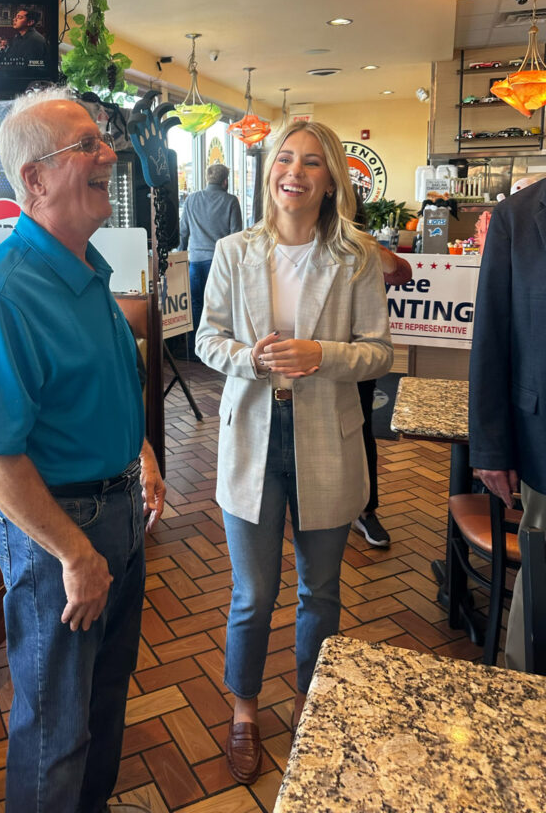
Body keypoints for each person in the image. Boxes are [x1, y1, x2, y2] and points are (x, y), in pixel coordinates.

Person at [0, 88, 165, 813]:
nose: (109, 153)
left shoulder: (87, 267)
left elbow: (105, 383)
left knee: (104, 703)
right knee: (56, 728)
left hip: (120, 511)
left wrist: (144, 455)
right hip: (59, 536)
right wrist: (76, 554)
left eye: (103, 141)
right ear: (35, 180)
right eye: (88, 145)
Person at [196, 122, 392, 785]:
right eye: (285, 159)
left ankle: (312, 705)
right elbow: (206, 339)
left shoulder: (357, 256)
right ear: (269, 171)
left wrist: (322, 356)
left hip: (326, 441)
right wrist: (248, 359)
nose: (296, 172)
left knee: (321, 591)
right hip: (251, 436)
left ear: (331, 177)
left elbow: (378, 352)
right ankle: (245, 711)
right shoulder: (233, 250)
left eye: (312, 162)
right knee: (252, 594)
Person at [469, 175, 546, 671]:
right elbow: (492, 335)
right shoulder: (517, 217)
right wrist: (492, 447)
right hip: (542, 442)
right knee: (541, 598)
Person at [352, 195, 413, 548]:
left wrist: (375, 251)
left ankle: (365, 509)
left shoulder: (362, 245)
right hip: (301, 360)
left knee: (360, 428)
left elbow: (403, 273)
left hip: (358, 355)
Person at [179, 162, 242, 341]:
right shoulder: (230, 201)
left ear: (208, 179)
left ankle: (195, 346)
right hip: (219, 262)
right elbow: (236, 235)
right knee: (219, 305)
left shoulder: (191, 199)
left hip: (195, 261)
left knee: (196, 304)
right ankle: (216, 345)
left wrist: (180, 254)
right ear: (225, 181)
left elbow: (183, 231)